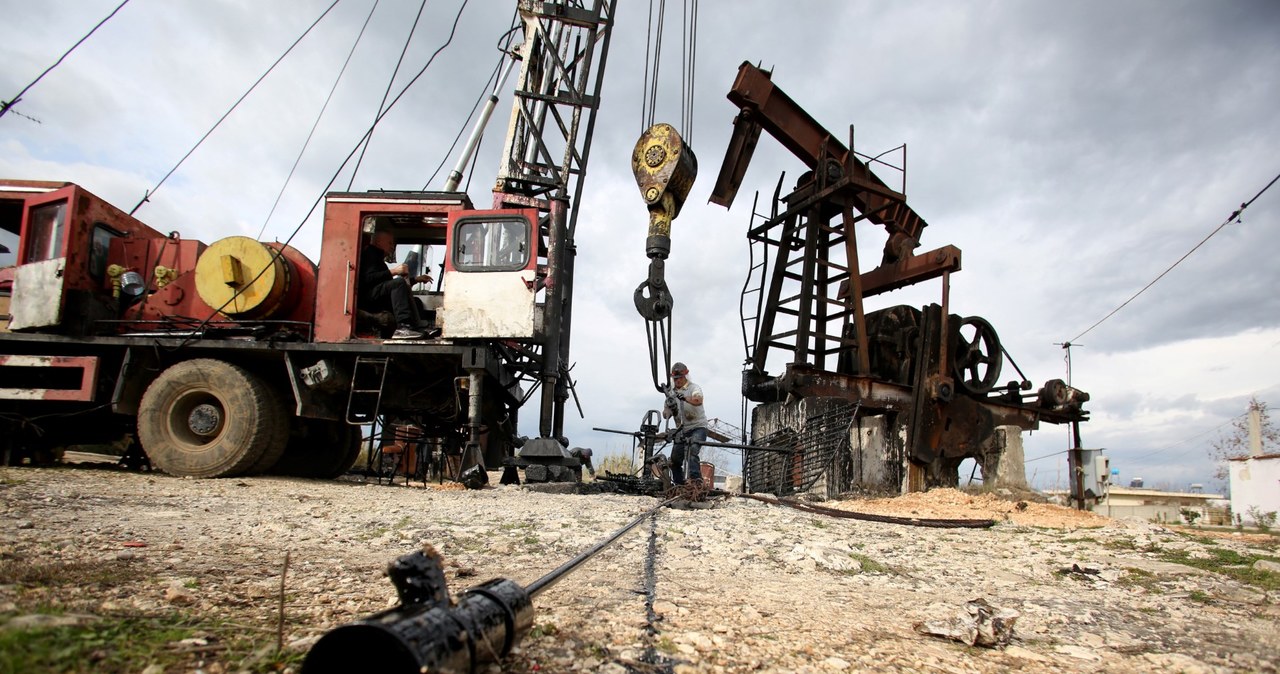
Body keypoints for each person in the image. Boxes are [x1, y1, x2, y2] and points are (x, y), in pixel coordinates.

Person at [360, 231, 432, 339]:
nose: (392, 246)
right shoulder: (369, 255)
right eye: (389, 243)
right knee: (398, 283)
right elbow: (367, 279)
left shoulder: (378, 259)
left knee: (416, 301)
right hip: (369, 297)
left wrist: (415, 280)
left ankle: (418, 329)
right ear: (378, 242)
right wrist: (393, 271)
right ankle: (402, 328)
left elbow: (389, 285)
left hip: (378, 295)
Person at [661, 361, 707, 485]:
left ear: (685, 376)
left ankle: (696, 483)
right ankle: (679, 484)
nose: (677, 381)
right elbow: (665, 413)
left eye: (680, 378)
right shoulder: (670, 394)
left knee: (692, 451)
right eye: (675, 379)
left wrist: (685, 398)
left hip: (698, 427)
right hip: (681, 430)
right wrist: (670, 411)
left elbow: (698, 400)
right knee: (675, 460)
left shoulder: (694, 388)